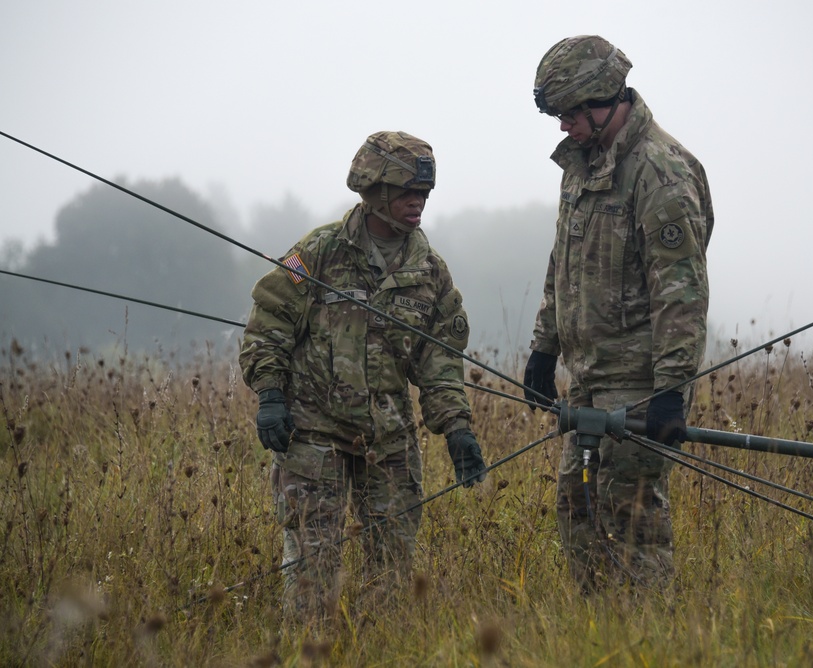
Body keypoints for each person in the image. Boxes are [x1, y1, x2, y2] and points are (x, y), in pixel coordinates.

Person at [239, 131, 487, 623]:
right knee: (313, 574)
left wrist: (457, 429)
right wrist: (270, 393)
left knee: (391, 579)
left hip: (389, 442)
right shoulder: (319, 252)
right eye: (407, 192)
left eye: (425, 194)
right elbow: (269, 324)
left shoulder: (430, 272)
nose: (418, 203)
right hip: (314, 437)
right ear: (374, 191)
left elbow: (439, 365)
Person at [524, 35, 713, 590]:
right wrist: (543, 347)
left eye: (568, 114)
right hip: (585, 380)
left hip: (638, 383)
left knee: (631, 523)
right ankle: (598, 639)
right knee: (577, 515)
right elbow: (564, 261)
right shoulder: (580, 166)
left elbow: (682, 292)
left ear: (602, 100)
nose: (563, 127)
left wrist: (671, 390)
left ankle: (649, 638)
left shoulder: (661, 172)